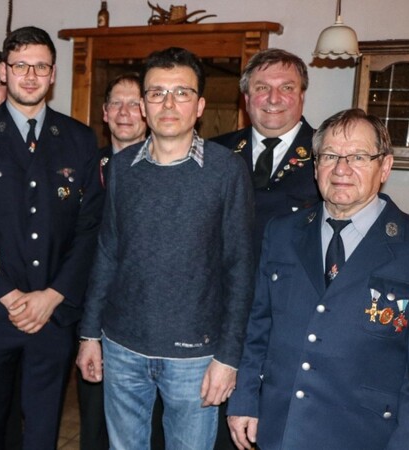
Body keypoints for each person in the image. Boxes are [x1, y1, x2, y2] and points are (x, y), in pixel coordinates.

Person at [76, 47, 254, 450]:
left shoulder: (227, 171)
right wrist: (89, 334)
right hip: (122, 348)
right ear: (143, 105)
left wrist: (228, 357)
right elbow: (107, 252)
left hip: (195, 357)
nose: (168, 104)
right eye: (157, 93)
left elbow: (240, 267)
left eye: (182, 93)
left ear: (200, 105)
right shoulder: (121, 169)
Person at [227, 108, 409, 450]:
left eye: (359, 156)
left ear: (386, 166)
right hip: (281, 426)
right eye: (330, 156)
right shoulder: (282, 232)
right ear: (315, 165)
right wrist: (245, 399)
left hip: (362, 436)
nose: (341, 169)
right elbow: (258, 325)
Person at [0, 26, 104, 450]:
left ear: (53, 74)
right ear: (5, 70)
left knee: (41, 432)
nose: (30, 75)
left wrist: (53, 295)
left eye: (41, 66)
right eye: (20, 66)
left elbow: (90, 227)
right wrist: (9, 295)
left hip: (53, 317)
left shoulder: (78, 138)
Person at [77, 71, 156, 450]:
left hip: (144, 315)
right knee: (93, 418)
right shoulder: (83, 166)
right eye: (116, 104)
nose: (125, 112)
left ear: (147, 111)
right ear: (105, 113)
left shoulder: (164, 167)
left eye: (134, 103)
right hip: (88, 310)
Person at [212, 48, 320, 260]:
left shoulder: (328, 153)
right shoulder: (215, 152)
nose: (273, 99)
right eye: (262, 88)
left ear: (302, 96)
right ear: (246, 97)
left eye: (286, 88)